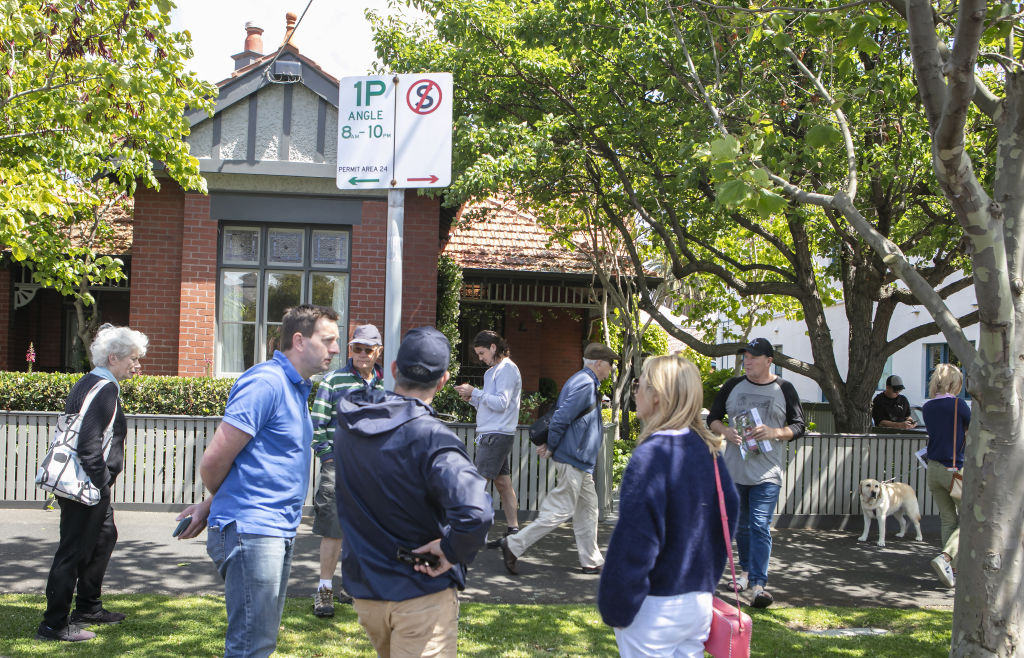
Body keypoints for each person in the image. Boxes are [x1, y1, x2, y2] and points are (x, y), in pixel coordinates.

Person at [175, 305, 340, 658]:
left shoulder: (296, 388)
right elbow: (214, 460)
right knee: (252, 646)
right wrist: (222, 501)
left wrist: (210, 504)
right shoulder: (266, 382)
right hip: (253, 531)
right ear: (299, 340)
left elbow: (253, 462)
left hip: (273, 529)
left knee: (259, 642)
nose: (336, 349)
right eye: (328, 340)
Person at [333, 326, 493, 657]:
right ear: (444, 380)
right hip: (419, 593)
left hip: (366, 592)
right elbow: (476, 513)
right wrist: (450, 550)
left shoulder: (351, 422)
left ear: (393, 369)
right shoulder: (432, 437)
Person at [599, 355, 739, 657]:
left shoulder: (653, 455)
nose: (635, 392)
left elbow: (635, 543)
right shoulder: (708, 452)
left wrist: (616, 607)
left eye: (640, 385)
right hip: (698, 604)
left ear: (658, 395)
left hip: (655, 608)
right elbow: (730, 513)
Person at [37, 324, 148, 642]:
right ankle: (53, 625)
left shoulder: (91, 382)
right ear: (114, 357)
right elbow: (87, 443)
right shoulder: (104, 388)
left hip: (85, 484)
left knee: (104, 537)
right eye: (134, 359)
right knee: (72, 552)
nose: (137, 365)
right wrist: (101, 485)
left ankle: (88, 607)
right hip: (85, 486)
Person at [499, 342, 617, 576]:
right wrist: (551, 446)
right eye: (611, 364)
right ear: (600, 363)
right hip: (573, 458)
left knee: (588, 510)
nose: (612, 369)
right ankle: (514, 544)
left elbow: (564, 417)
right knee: (560, 510)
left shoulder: (583, 381)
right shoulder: (584, 384)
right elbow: (561, 417)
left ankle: (591, 560)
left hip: (579, 460)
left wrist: (551, 445)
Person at [707, 337, 804, 608]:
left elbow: (799, 426)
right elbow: (711, 418)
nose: (747, 361)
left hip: (767, 472)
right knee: (742, 526)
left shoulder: (785, 389)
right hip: (735, 471)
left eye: (753, 357)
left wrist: (775, 432)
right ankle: (747, 573)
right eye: (745, 356)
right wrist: (725, 431)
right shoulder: (732, 386)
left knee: (760, 524)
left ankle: (759, 584)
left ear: (769, 360)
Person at [309, 324, 384, 617]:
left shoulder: (383, 383)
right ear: (350, 349)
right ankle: (324, 591)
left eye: (368, 349)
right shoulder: (332, 381)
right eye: (357, 349)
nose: (362, 355)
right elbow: (316, 426)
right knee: (334, 529)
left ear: (378, 351)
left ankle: (350, 587)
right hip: (338, 467)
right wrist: (329, 458)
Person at [454, 330, 522, 548]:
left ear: (494, 347)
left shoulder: (507, 369)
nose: (480, 358)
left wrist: (475, 392)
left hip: (496, 433)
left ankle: (465, 531)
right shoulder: (492, 372)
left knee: (478, 481)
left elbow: (502, 403)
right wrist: (471, 398)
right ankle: (514, 531)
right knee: (502, 483)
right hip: (494, 431)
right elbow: (491, 403)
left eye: (482, 353)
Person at [922, 363, 970, 588]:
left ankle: (952, 570)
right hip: (954, 470)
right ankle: (946, 558)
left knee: (948, 518)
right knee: (968, 519)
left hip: (933, 470)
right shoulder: (960, 405)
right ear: (954, 382)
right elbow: (972, 432)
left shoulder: (928, 406)